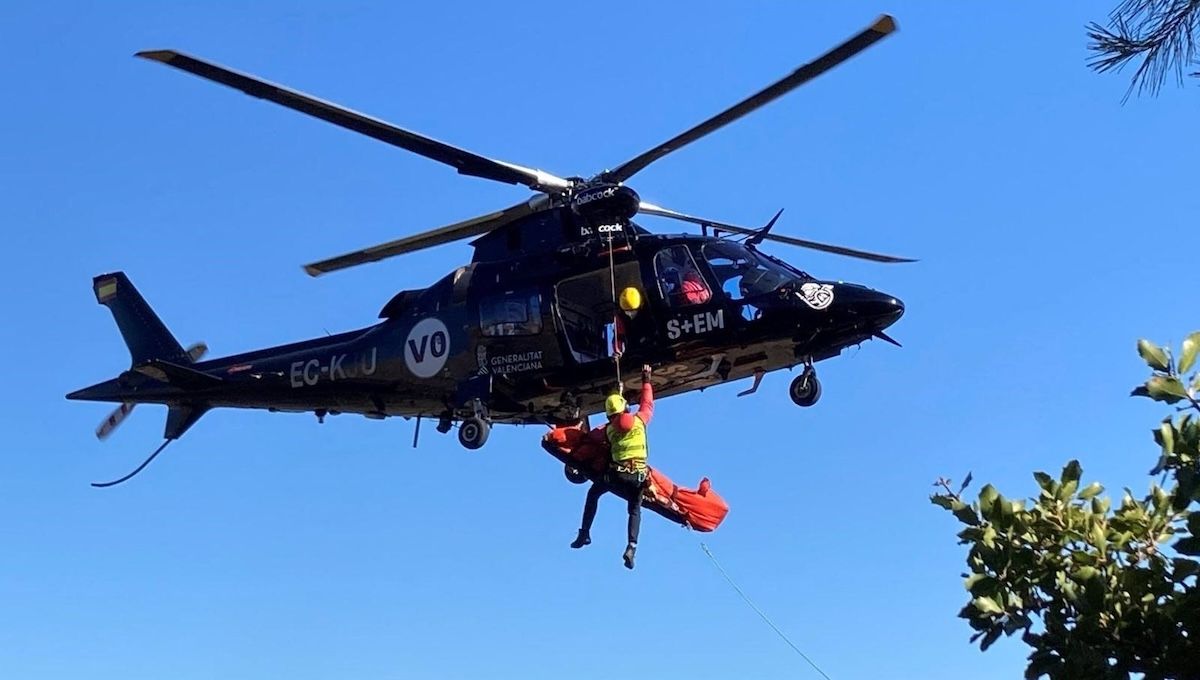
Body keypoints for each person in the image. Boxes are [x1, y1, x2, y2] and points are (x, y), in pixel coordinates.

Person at [570, 364, 654, 569]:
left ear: (609, 416)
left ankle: (584, 533)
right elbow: (647, 403)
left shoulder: (607, 430)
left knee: (593, 494)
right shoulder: (640, 421)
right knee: (634, 510)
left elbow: (590, 438)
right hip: (638, 477)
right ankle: (631, 547)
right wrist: (646, 380)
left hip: (615, 475)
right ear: (626, 408)